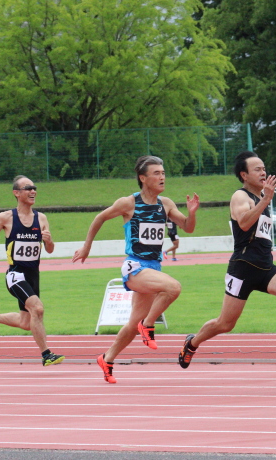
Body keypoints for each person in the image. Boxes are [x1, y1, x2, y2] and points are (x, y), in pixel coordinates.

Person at [178, 151, 276, 368]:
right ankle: (192, 343)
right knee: (225, 323)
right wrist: (265, 199)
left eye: (264, 169)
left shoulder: (262, 198)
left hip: (264, 267)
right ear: (244, 175)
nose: (263, 172)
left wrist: (264, 199)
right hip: (243, 268)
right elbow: (244, 223)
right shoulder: (240, 197)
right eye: (257, 169)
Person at [73, 155, 199, 383]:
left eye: (163, 173)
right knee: (173, 288)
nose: (162, 177)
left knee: (132, 325)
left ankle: (107, 358)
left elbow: (187, 228)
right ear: (143, 178)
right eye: (156, 173)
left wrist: (192, 213)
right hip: (135, 266)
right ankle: (148, 325)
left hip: (154, 267)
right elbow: (100, 218)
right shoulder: (129, 203)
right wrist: (86, 247)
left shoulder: (166, 204)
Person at [0, 175, 65, 367]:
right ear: (16, 193)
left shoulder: (41, 218)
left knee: (26, 322)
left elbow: (49, 249)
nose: (33, 191)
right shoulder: (6, 217)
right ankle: (46, 354)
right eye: (28, 188)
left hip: (33, 276)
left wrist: (49, 241)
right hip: (15, 275)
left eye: (34, 188)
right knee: (38, 309)